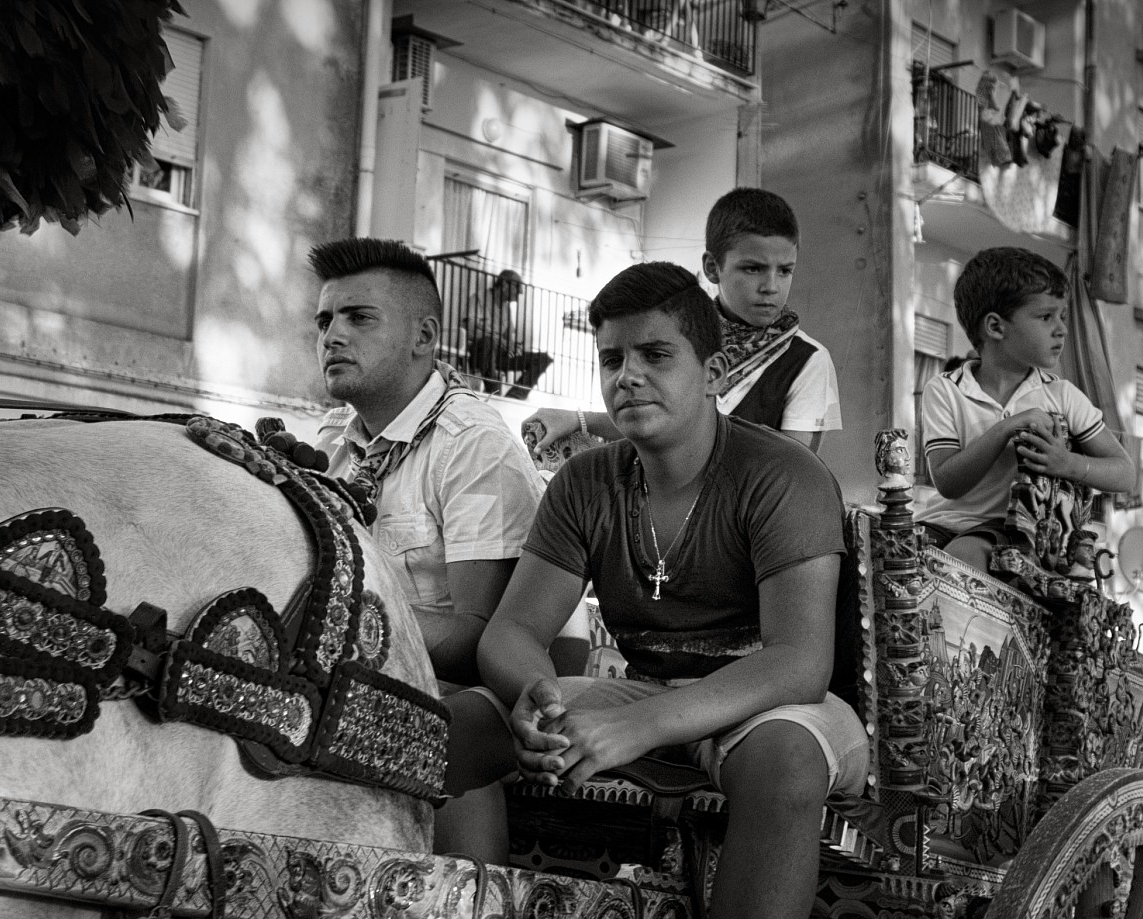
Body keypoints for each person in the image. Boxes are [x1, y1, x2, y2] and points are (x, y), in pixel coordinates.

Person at [445, 261, 864, 919]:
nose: (628, 375)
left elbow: (801, 660)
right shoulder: (588, 482)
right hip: (642, 692)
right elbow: (511, 634)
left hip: (771, 702)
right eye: (612, 358)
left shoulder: (782, 476)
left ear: (709, 367)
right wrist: (539, 700)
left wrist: (634, 727)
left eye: (655, 354)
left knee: (785, 769)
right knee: (461, 716)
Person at [310, 237, 545, 853]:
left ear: (424, 337)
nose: (333, 335)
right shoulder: (332, 443)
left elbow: (479, 638)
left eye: (359, 318)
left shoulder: (474, 445)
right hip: (358, 669)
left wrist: (340, 628)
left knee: (420, 717)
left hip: (487, 697)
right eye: (325, 319)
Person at [521, 188, 841, 460]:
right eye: (753, 269)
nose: (771, 286)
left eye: (785, 270)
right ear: (713, 268)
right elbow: (654, 417)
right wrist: (578, 421)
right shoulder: (684, 338)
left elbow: (794, 471)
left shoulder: (807, 361)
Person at [915, 246, 1137, 573]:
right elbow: (948, 483)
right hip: (939, 522)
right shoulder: (945, 390)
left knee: (960, 559)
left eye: (1062, 316)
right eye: (1046, 317)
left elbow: (1124, 473)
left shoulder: (1061, 396)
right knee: (883, 552)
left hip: (1013, 530)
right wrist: (1007, 427)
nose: (1061, 329)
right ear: (995, 327)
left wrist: (1069, 464)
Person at [462, 268, 554, 398]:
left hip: (500, 356)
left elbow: (508, 339)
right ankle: (494, 392)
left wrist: (515, 347)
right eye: (517, 287)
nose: (520, 292)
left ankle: (515, 395)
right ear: (504, 284)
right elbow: (470, 331)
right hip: (479, 352)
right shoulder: (479, 298)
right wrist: (498, 340)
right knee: (490, 342)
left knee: (542, 359)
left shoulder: (507, 308)